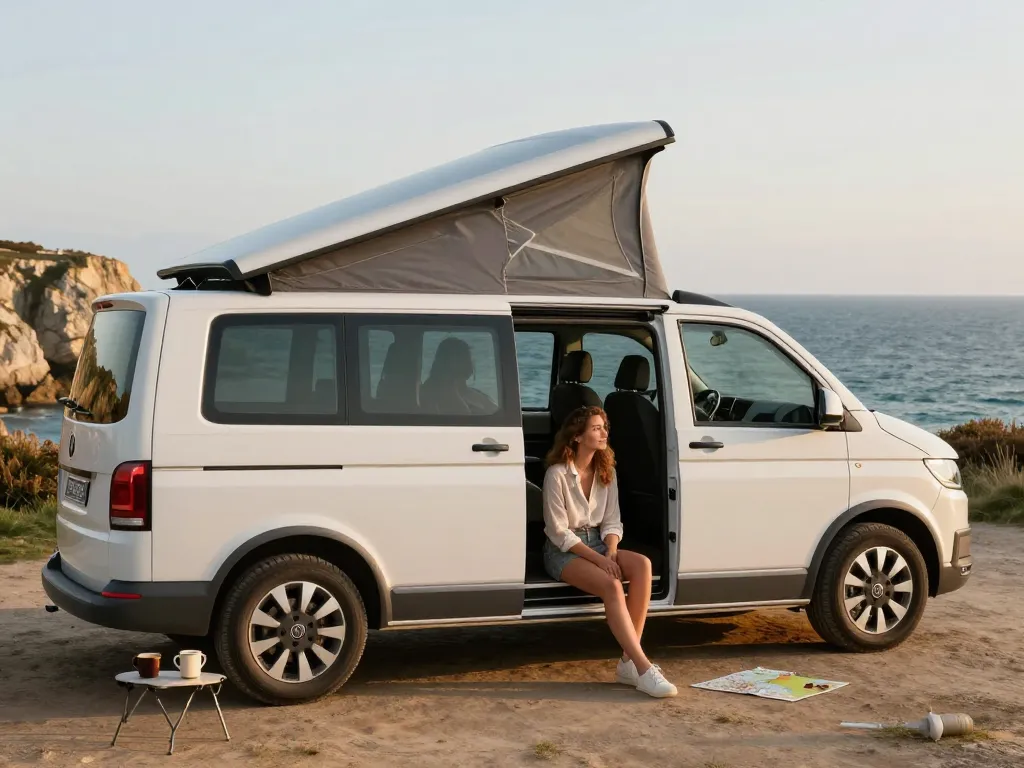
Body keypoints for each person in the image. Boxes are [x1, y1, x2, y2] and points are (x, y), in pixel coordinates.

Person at [542, 406, 678, 698]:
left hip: (602, 543)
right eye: (596, 428)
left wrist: (612, 551)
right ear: (577, 436)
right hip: (564, 550)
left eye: (604, 426)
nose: (604, 432)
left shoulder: (607, 471)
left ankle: (628, 661)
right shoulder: (556, 475)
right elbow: (558, 532)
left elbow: (612, 520)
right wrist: (601, 560)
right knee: (612, 585)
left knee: (642, 564)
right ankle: (643, 668)